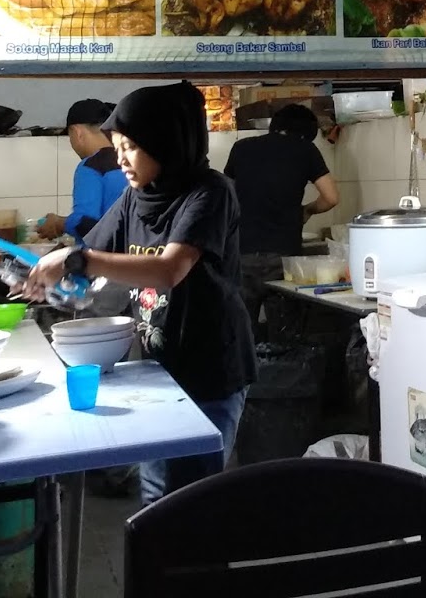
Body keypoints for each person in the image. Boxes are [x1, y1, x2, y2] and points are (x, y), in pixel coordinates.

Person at [24, 81, 256, 504]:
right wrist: (49, 277)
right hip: (157, 370)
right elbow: (91, 249)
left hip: (210, 370)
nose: (120, 159)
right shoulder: (136, 198)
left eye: (130, 146)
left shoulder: (210, 192)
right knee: (156, 495)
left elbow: (169, 269)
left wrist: (78, 262)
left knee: (191, 500)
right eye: (117, 147)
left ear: (165, 142)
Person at [225, 103, 339, 327]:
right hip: (283, 257)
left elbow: (225, 197)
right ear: (308, 132)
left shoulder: (241, 147)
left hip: (241, 254)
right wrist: (308, 210)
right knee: (284, 331)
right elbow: (331, 197)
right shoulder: (305, 149)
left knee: (241, 331)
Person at [39, 98, 126, 242]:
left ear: (77, 132)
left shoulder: (91, 166)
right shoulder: (132, 161)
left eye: (70, 136)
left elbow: (85, 224)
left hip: (106, 254)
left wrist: (58, 224)